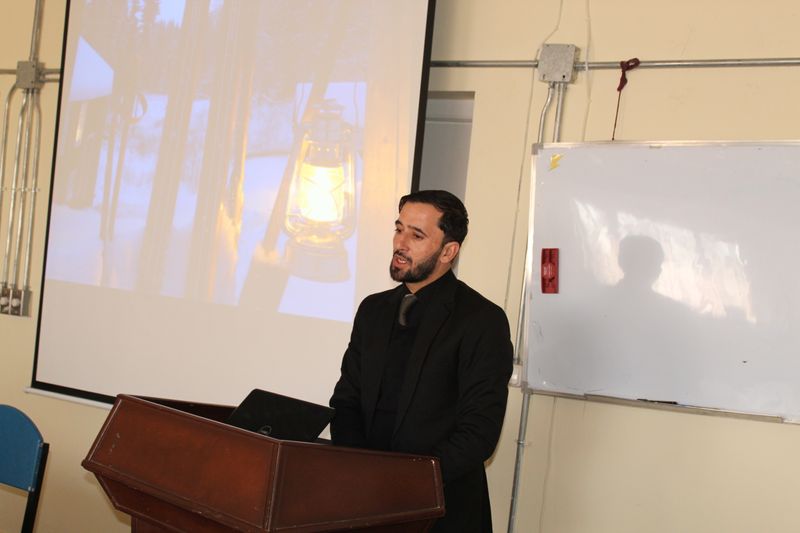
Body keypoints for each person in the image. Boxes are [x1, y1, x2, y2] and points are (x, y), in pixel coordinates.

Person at [329, 189, 514, 532]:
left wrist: (404, 482)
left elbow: (478, 433)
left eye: (416, 235)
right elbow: (346, 400)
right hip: (364, 505)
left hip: (442, 510)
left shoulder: (481, 320)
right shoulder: (373, 310)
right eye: (399, 229)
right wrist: (357, 470)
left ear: (449, 251)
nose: (400, 242)